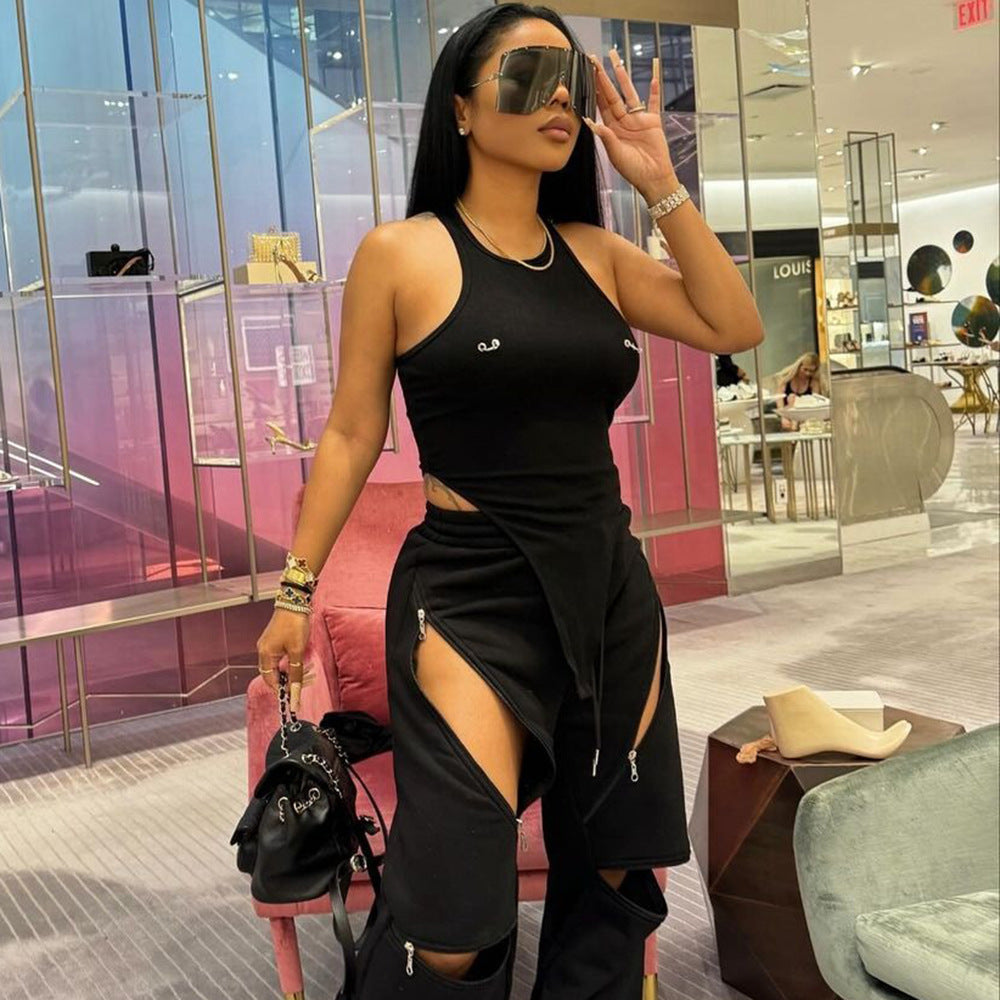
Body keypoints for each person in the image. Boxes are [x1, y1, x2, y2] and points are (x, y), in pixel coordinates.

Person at [254, 6, 764, 998]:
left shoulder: (596, 253)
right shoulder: (402, 253)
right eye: (527, 76)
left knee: (613, 869)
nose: (559, 96)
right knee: (454, 916)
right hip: (469, 589)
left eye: (567, 76)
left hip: (606, 589)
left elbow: (731, 323)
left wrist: (658, 183)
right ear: (461, 107)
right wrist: (294, 591)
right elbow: (352, 432)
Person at [775, 351, 823, 430]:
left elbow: (815, 402)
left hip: (804, 414)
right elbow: (779, 399)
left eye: (811, 371)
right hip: (787, 412)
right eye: (805, 369)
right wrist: (783, 417)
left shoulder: (814, 382)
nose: (807, 373)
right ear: (799, 366)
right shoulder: (786, 379)